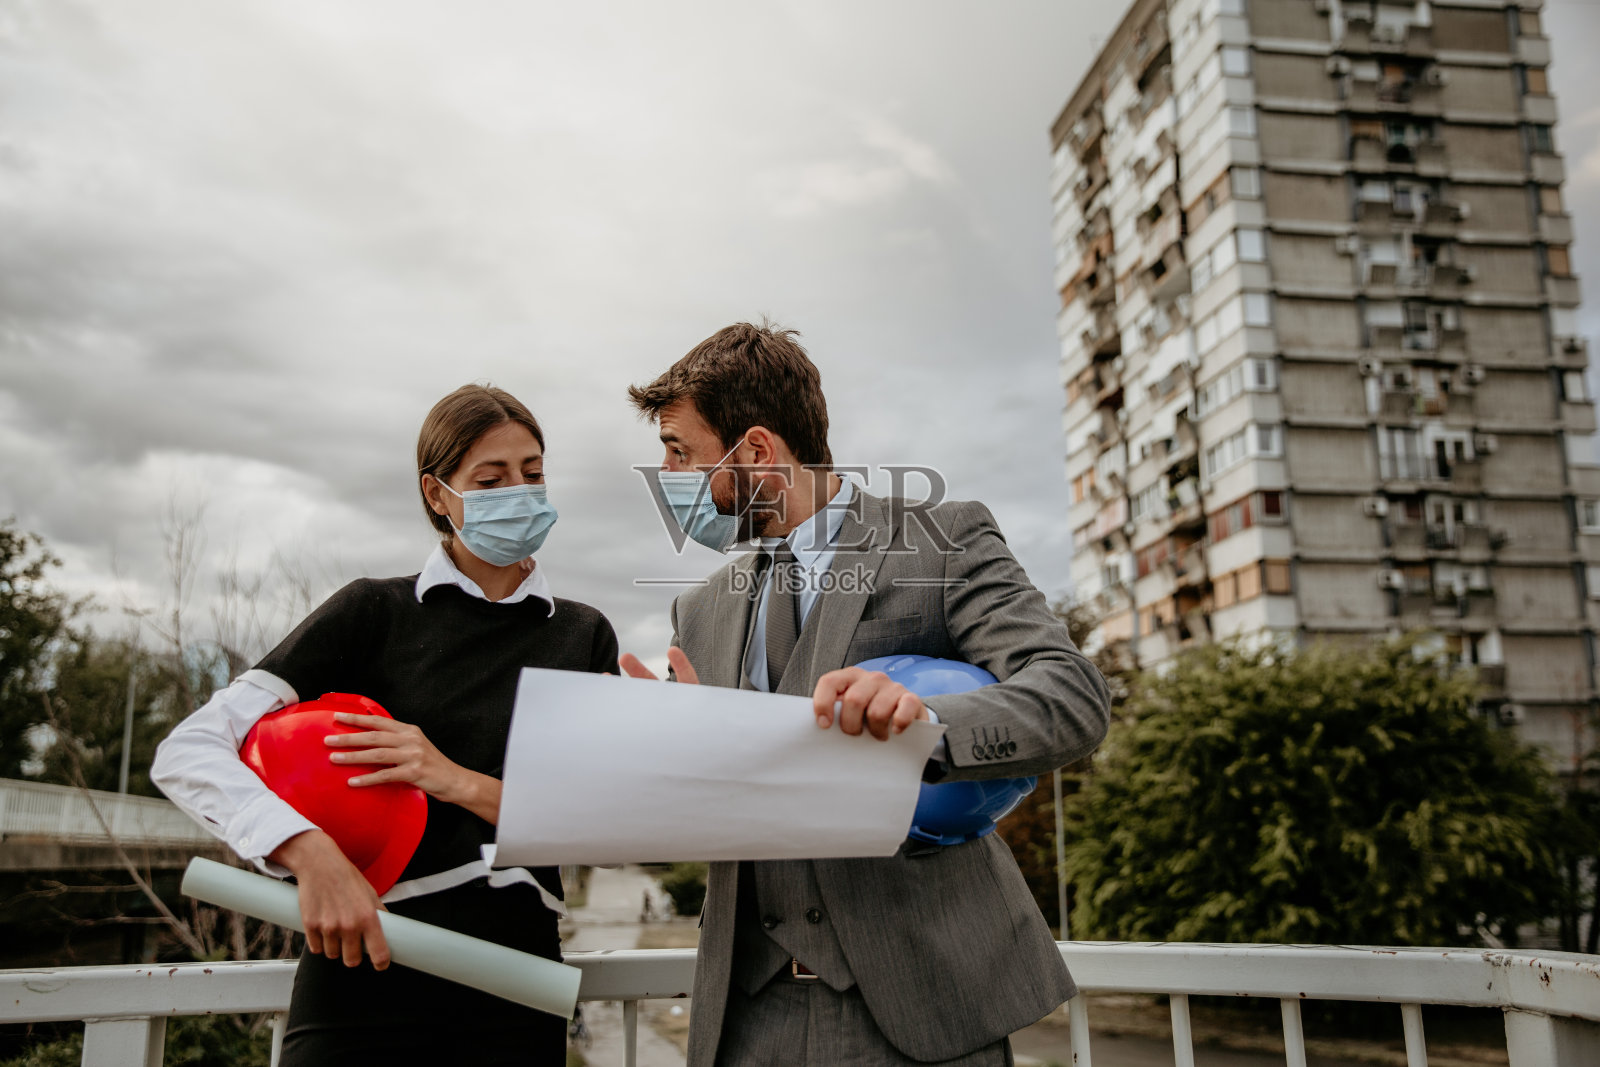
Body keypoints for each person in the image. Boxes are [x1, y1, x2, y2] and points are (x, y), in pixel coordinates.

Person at [621, 323, 1111, 1066]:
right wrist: (647, 743)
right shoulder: (699, 610)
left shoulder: (940, 540)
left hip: (925, 1008)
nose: (665, 473)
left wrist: (929, 722)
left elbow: (1070, 695)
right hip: (745, 1023)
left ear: (755, 451)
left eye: (680, 452)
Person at [152, 384, 618, 1067]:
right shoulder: (372, 612)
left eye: (533, 472)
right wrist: (309, 854)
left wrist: (450, 778)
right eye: (490, 478)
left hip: (514, 983)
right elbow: (188, 750)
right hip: (360, 969)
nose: (518, 490)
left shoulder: (583, 635)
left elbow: (596, 819)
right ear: (437, 494)